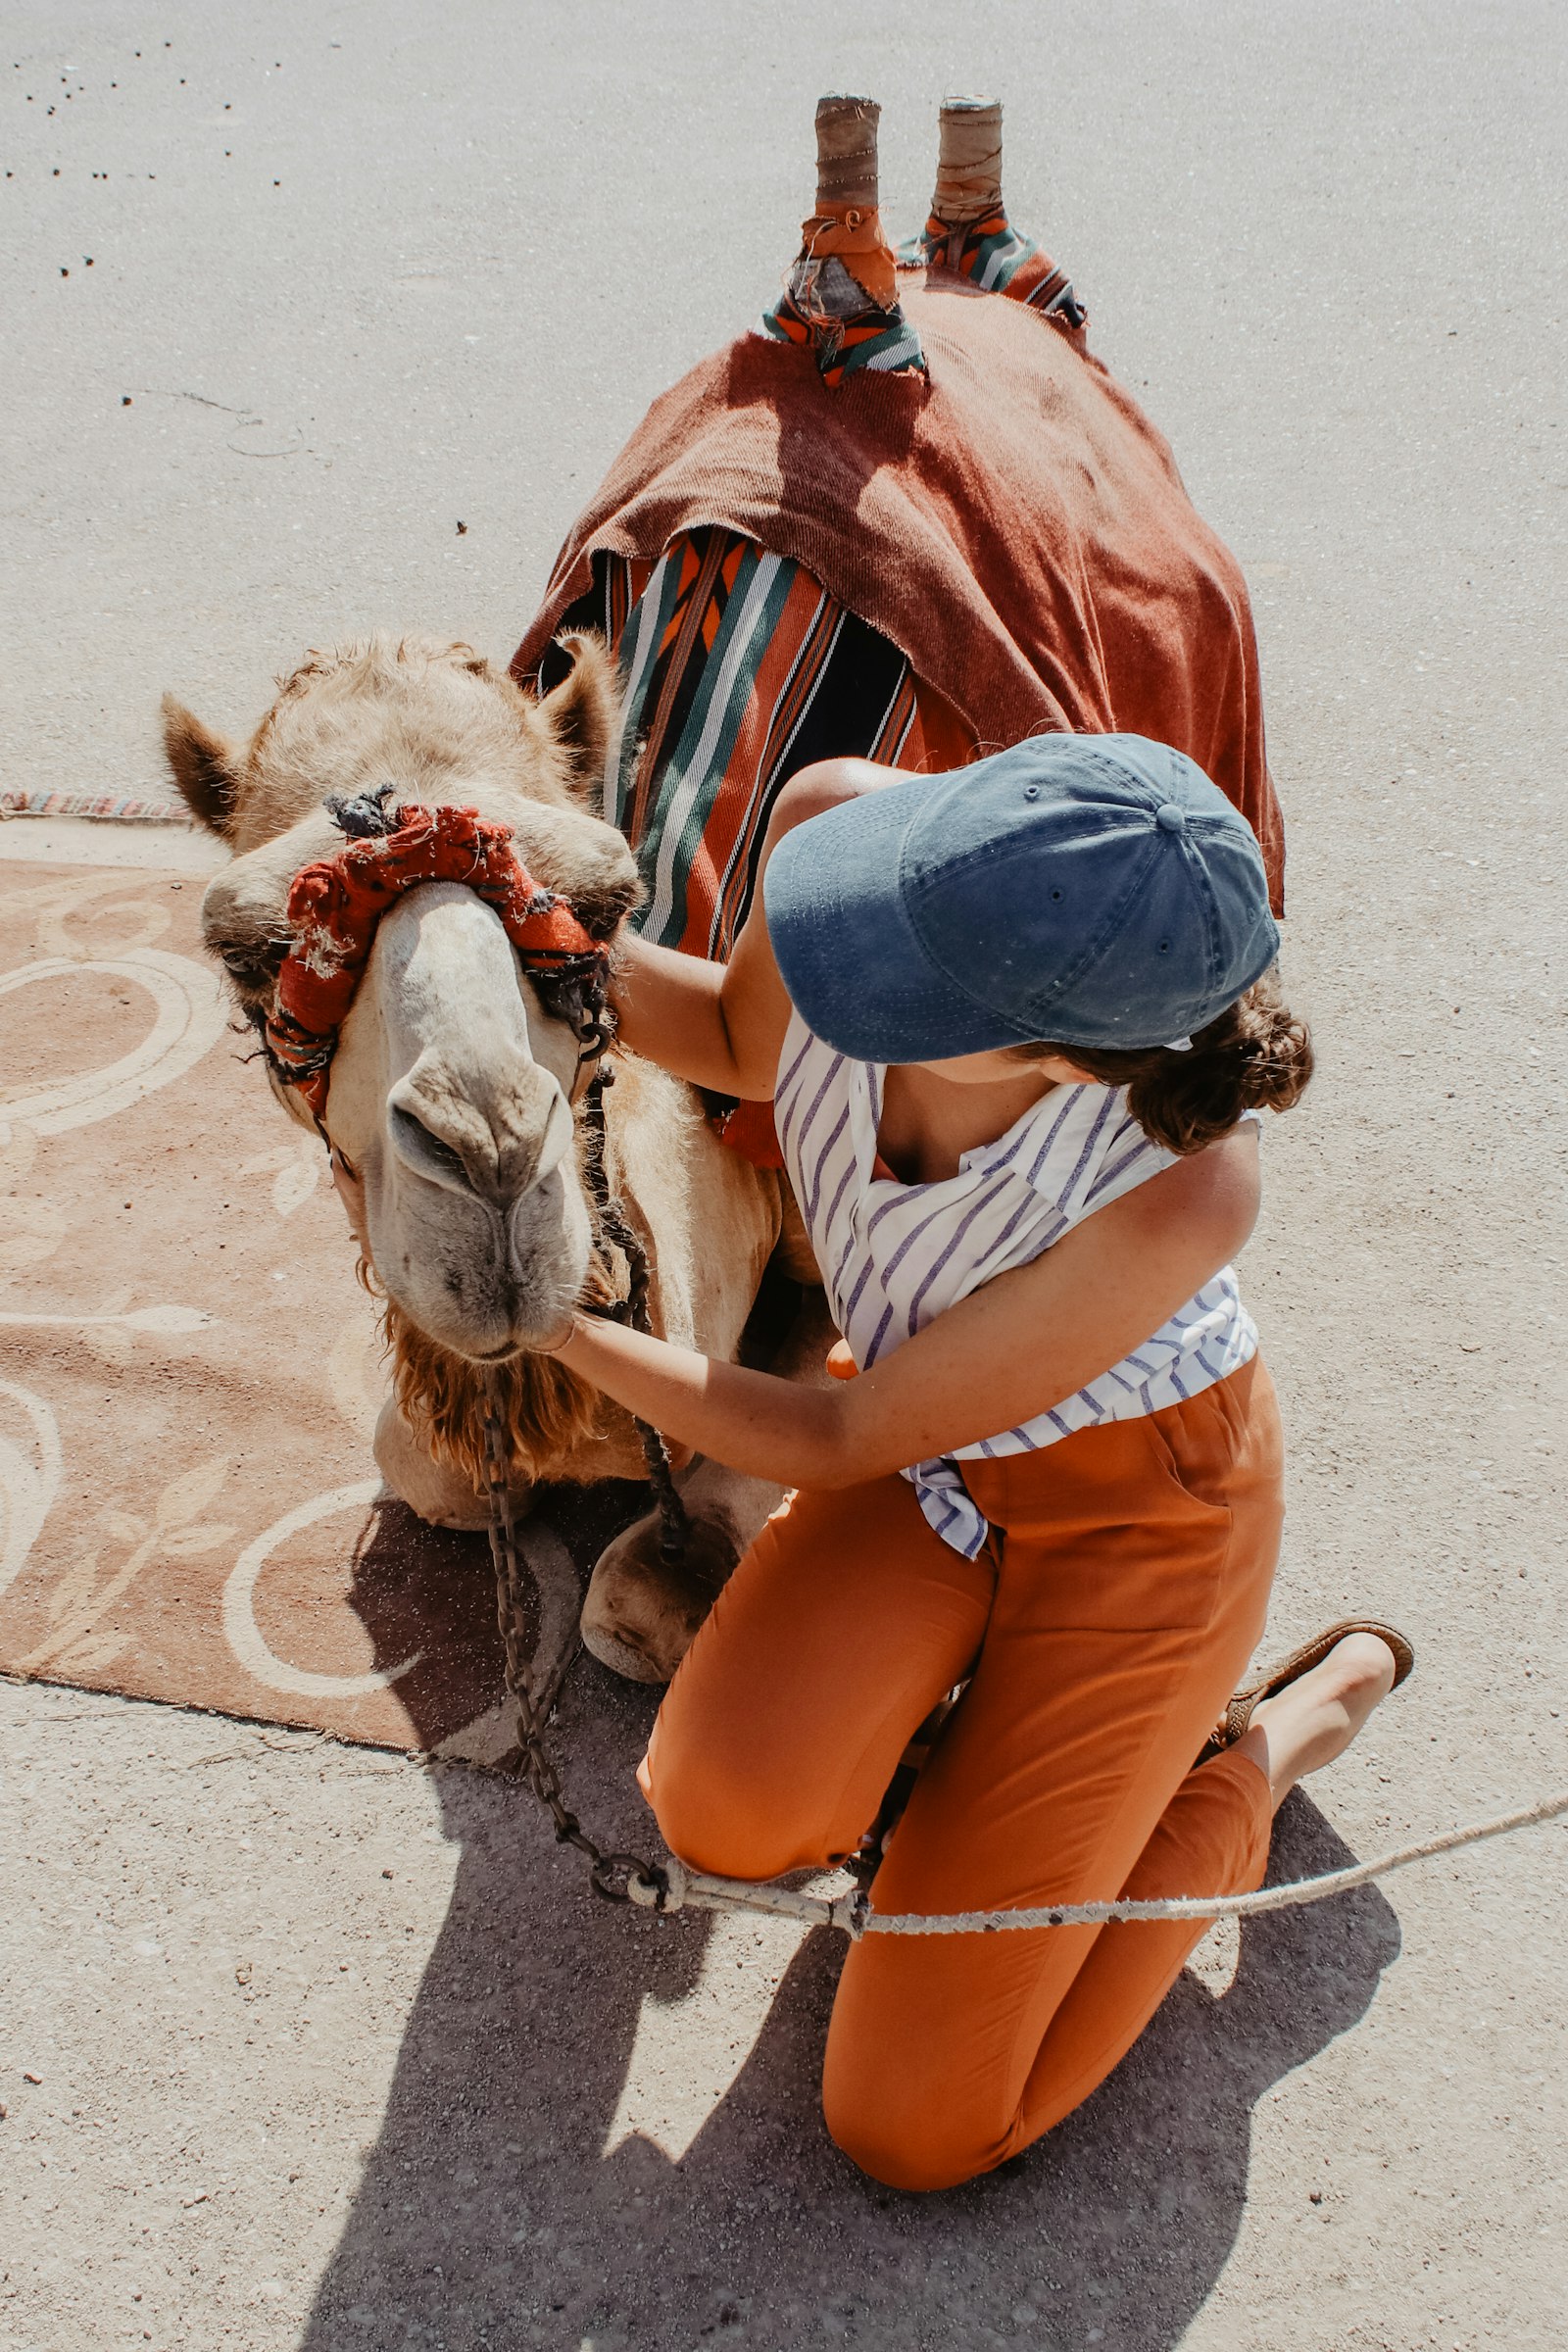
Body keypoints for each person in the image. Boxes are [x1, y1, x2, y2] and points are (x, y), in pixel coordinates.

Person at [541, 733, 1413, 2193]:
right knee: (722, 1812)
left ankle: (1269, 1746)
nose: (848, 945)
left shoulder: (1187, 1181)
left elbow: (831, 1439)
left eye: (902, 965)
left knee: (916, 2132)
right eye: (891, 894)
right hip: (934, 1450)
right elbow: (735, 1043)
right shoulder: (840, 828)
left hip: (1142, 1527)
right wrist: (513, 931)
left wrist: (552, 1325)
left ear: (1065, 1062)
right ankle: (983, 1792)